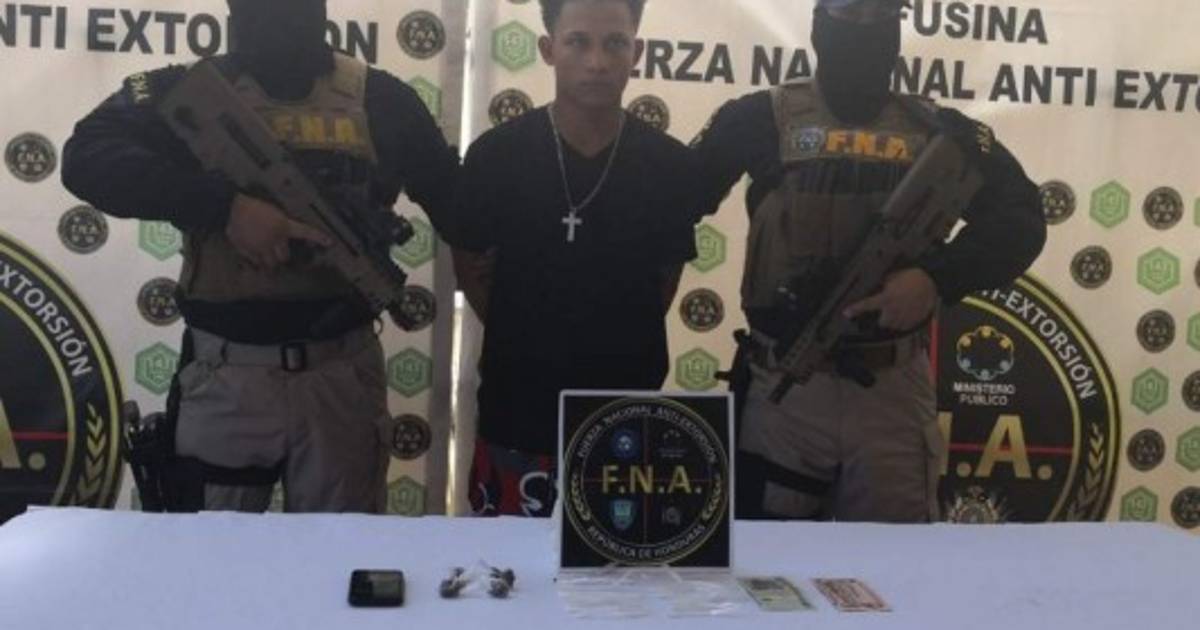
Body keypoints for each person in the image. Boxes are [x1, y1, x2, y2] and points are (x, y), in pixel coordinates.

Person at [61, 0, 458, 513]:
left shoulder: (382, 98)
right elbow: (85, 157)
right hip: (226, 374)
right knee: (210, 554)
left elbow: (460, 208)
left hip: (340, 373)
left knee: (338, 557)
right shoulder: (183, 89)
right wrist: (224, 207)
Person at [692, 0, 1046, 522]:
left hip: (891, 390)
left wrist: (935, 278)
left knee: (896, 565)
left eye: (879, 15)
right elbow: (672, 202)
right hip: (785, 389)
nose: (863, 27)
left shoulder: (939, 131)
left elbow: (1022, 220)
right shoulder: (759, 118)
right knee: (770, 561)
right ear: (820, 20)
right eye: (849, 13)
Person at [447, 0, 697, 517]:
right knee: (505, 561)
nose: (597, 62)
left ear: (637, 53)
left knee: (619, 559)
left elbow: (665, 279)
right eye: (578, 42)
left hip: (625, 413)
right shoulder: (496, 155)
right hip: (517, 405)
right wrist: (525, 331)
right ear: (548, 49)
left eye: (615, 44)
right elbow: (468, 264)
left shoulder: (670, 165)